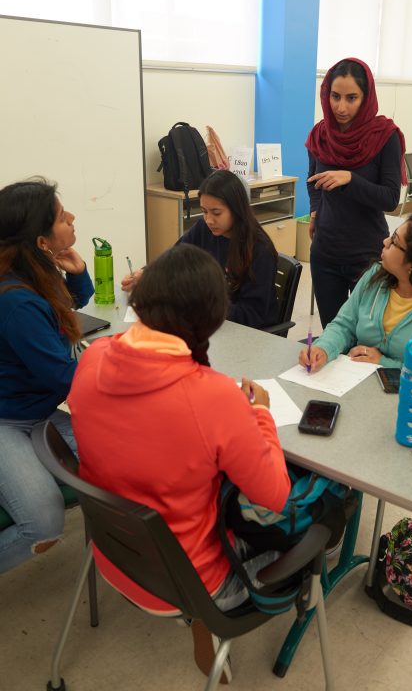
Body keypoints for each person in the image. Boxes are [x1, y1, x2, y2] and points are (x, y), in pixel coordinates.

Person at [69, 243, 290, 682]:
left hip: (114, 554)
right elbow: (276, 494)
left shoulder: (92, 358)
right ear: (210, 318)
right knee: (309, 524)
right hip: (193, 584)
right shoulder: (212, 395)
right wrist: (261, 414)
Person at [0, 178, 94, 573]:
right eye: (60, 217)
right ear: (40, 242)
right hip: (8, 421)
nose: (71, 218)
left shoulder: (34, 275)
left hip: (37, 413)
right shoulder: (16, 299)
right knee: (43, 526)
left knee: (125, 461)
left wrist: (78, 273)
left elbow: (62, 308)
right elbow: (65, 379)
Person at [299, 215, 412, 388]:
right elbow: (344, 325)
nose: (385, 242)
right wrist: (322, 349)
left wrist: (384, 363)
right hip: (357, 384)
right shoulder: (377, 276)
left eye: (394, 241)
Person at [306, 57, 407, 328]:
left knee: (367, 333)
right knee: (333, 332)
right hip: (325, 251)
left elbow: (390, 198)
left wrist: (350, 179)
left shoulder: (385, 136)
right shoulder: (320, 135)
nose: (341, 107)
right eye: (335, 97)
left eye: (351, 98)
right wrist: (316, 209)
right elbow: (311, 180)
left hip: (367, 253)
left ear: (366, 96)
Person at [122, 170, 278, 329]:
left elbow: (252, 315)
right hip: (210, 324)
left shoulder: (259, 250)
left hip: (247, 335)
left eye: (216, 213)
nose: (209, 220)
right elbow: (174, 259)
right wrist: (147, 274)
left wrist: (199, 303)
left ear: (237, 209)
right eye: (204, 212)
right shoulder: (205, 229)